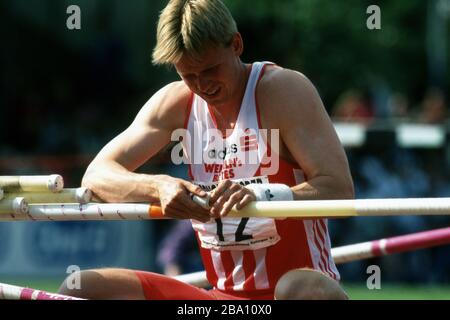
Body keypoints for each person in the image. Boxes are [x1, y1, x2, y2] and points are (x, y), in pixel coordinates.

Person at [58, 0, 354, 300]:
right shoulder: (176, 103)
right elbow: (96, 175)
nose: (203, 85)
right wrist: (158, 186)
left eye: (211, 69)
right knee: (82, 287)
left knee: (298, 289)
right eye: (188, 74)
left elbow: (339, 188)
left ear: (236, 44)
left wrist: (262, 195)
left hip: (299, 292)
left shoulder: (282, 90)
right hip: (220, 299)